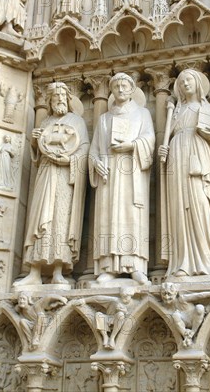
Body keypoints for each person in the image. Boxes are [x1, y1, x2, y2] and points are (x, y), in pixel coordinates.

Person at [15, 82, 89, 287]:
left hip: (66, 176)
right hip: (46, 174)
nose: (59, 101)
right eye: (55, 99)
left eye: (63, 98)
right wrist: (34, 143)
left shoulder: (77, 122)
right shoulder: (45, 121)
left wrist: (69, 161)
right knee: (40, 218)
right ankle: (34, 272)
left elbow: (84, 149)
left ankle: (58, 271)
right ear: (49, 102)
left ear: (68, 100)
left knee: (60, 219)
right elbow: (37, 157)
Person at [158, 69, 210, 279]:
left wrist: (209, 134)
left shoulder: (207, 109)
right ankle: (182, 262)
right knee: (179, 209)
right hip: (177, 158)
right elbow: (167, 137)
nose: (185, 84)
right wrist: (164, 149)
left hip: (200, 158)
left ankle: (209, 261)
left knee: (201, 204)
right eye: (181, 81)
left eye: (189, 80)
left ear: (197, 84)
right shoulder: (175, 112)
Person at [89, 73, 155, 285]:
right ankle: (108, 266)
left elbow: (149, 139)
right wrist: (97, 162)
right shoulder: (104, 119)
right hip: (109, 173)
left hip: (132, 170)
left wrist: (132, 145)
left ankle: (134, 265)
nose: (119, 88)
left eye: (124, 85)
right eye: (115, 85)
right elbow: (94, 149)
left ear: (131, 89)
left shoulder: (142, 114)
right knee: (108, 216)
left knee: (131, 214)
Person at [160, 282, 210, 347]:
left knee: (199, 307)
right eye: (164, 294)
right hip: (184, 320)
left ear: (175, 293)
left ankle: (192, 333)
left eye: (169, 294)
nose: (166, 297)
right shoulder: (168, 305)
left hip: (193, 317)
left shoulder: (182, 298)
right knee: (175, 315)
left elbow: (199, 296)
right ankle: (186, 336)